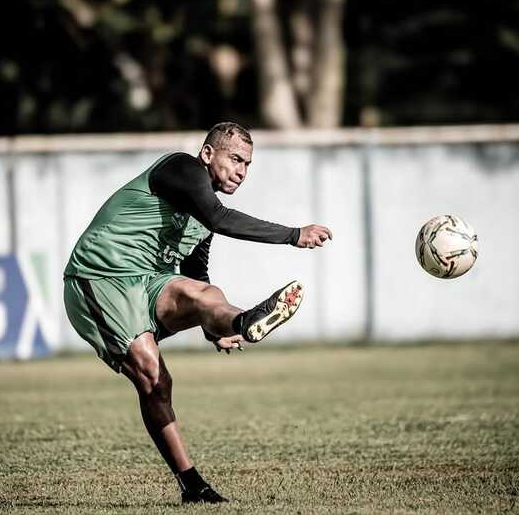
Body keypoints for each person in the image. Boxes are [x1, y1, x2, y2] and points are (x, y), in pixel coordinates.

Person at [63, 122, 333, 504]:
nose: (241, 170)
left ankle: (241, 321)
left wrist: (213, 326)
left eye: (248, 164)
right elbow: (220, 218)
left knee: (208, 293)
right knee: (153, 376)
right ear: (208, 155)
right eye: (235, 158)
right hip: (100, 277)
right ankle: (192, 483)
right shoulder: (181, 169)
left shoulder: (200, 215)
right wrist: (294, 234)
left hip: (149, 281)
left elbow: (195, 274)